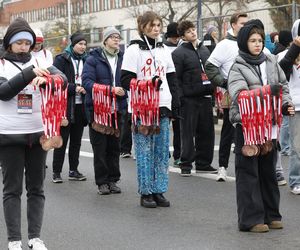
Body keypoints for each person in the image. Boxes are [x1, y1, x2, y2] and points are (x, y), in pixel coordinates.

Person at [0, 17, 67, 250]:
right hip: (9, 135)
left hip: (38, 134)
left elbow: (63, 79)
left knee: (36, 188)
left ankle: (35, 237)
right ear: (9, 43)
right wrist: (29, 74)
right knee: (12, 190)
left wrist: (49, 79)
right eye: (18, 42)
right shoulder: (1, 64)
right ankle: (14, 239)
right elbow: (4, 92)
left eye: (27, 43)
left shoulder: (42, 59)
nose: (24, 47)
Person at [228, 22, 293, 232]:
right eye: (252, 41)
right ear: (244, 43)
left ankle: (271, 214)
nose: (257, 44)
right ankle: (251, 219)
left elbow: (282, 86)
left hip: (269, 125)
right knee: (249, 173)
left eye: (259, 40)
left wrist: (285, 105)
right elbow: (240, 95)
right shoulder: (237, 66)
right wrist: (267, 92)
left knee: (268, 172)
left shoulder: (271, 60)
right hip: (246, 126)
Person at [121, 11, 180, 207]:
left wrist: (175, 101)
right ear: (142, 26)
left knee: (162, 151)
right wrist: (146, 85)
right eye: (152, 25)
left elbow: (171, 77)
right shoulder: (134, 50)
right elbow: (125, 79)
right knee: (144, 151)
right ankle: (145, 192)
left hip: (163, 103)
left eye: (158, 25)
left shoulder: (164, 50)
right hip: (143, 107)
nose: (156, 29)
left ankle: (159, 190)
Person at [205, 12, 248, 181]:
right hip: (232, 95)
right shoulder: (224, 44)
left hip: (250, 95)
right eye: (242, 23)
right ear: (233, 25)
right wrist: (225, 83)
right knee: (229, 131)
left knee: (249, 132)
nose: (245, 25)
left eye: (247, 23)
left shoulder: (250, 42)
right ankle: (222, 166)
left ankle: (245, 169)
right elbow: (210, 66)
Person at [82, 27, 126, 195]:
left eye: (118, 37)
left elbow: (129, 81)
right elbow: (87, 83)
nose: (116, 40)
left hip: (117, 109)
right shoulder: (93, 59)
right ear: (105, 40)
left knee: (114, 148)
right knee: (100, 148)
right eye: (113, 37)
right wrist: (110, 90)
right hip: (98, 110)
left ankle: (113, 180)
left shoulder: (123, 58)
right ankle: (102, 182)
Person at [172, 20, 215, 177]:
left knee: (206, 131)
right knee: (187, 132)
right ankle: (186, 163)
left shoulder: (204, 50)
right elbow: (176, 78)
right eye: (189, 31)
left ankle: (203, 163)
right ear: (183, 35)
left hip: (205, 96)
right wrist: (180, 98)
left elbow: (211, 71)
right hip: (188, 99)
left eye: (193, 29)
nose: (193, 32)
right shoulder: (178, 53)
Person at [51, 32, 88, 183]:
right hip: (65, 105)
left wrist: (86, 88)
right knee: (62, 140)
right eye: (80, 44)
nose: (83, 47)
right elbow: (55, 82)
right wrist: (74, 88)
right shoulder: (61, 59)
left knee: (76, 141)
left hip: (81, 106)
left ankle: (73, 170)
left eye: (85, 44)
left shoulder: (87, 60)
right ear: (72, 45)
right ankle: (56, 172)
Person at [278, 19, 300, 195]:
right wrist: (295, 49)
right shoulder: (286, 55)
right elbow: (282, 70)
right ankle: (295, 180)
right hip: (296, 105)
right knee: (297, 146)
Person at [163, 22, 181, 167]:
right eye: (173, 37)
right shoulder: (162, 48)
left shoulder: (181, 47)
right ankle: (164, 150)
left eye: (177, 36)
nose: (175, 39)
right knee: (164, 124)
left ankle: (178, 154)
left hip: (177, 88)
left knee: (178, 124)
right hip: (164, 88)